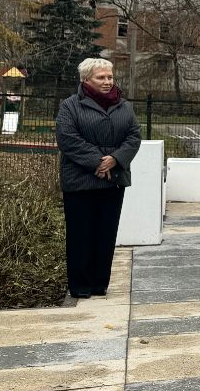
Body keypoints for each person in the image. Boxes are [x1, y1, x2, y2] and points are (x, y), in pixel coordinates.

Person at [55, 58, 141, 299]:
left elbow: (134, 136)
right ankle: (80, 285)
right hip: (80, 180)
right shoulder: (71, 106)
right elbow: (67, 138)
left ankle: (99, 283)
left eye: (109, 77)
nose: (107, 82)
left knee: (106, 232)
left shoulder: (124, 107)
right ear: (86, 80)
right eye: (100, 78)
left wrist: (114, 159)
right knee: (80, 233)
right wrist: (98, 161)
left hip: (113, 178)